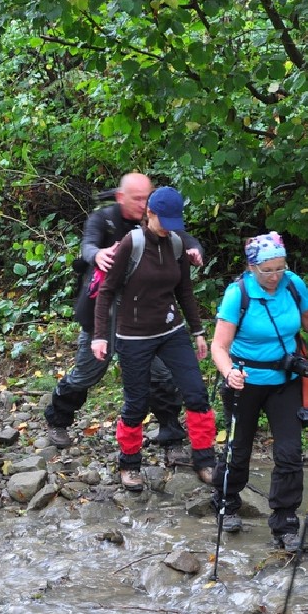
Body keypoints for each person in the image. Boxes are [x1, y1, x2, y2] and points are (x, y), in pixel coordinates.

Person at [45, 172, 204, 465]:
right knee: (87, 373)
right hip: (103, 314)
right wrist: (98, 255)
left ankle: (171, 438)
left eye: (147, 198)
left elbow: (184, 238)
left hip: (146, 321)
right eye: (137, 199)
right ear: (121, 197)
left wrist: (194, 249)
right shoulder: (104, 220)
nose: (143, 204)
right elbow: (88, 245)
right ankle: (58, 419)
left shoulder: (157, 221)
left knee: (162, 376)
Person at [209, 232, 308, 550]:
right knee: (239, 449)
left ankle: (285, 524)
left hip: (285, 382)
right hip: (244, 381)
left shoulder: (292, 284)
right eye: (267, 270)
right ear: (251, 268)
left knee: (289, 454)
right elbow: (219, 346)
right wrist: (229, 372)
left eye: (280, 268)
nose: (274, 276)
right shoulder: (237, 295)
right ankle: (226, 503)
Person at [91, 186, 216, 491]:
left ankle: (205, 459)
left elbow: (184, 291)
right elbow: (106, 292)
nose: (168, 229)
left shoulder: (175, 243)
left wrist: (198, 332)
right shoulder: (131, 244)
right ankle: (129, 464)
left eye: (174, 223)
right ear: (150, 213)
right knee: (136, 403)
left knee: (196, 393)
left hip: (172, 331)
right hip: (133, 335)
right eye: (164, 221)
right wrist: (99, 336)